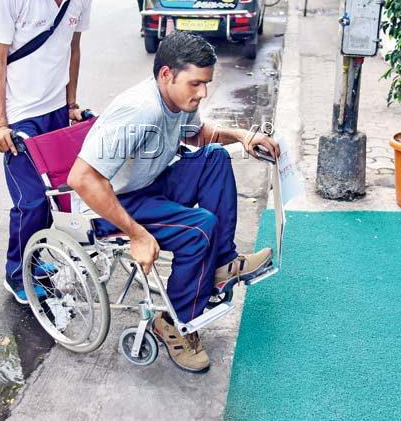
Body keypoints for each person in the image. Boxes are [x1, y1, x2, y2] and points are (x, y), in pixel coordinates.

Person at [68, 31, 279, 373]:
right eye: (195, 84)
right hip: (109, 205)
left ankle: (221, 264)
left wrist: (242, 136)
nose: (203, 93)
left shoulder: (176, 101)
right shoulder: (140, 111)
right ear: (167, 75)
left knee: (213, 159)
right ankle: (173, 324)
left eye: (206, 84)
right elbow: (82, 179)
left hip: (149, 185)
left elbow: (197, 135)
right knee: (199, 230)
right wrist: (136, 234)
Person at [0, 0, 93, 304]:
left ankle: (37, 258)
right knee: (29, 201)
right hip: (19, 115)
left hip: (55, 113)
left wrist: (72, 103)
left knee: (56, 197)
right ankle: (17, 272)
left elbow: (72, 49)